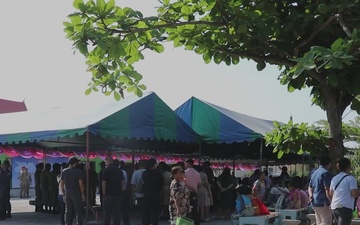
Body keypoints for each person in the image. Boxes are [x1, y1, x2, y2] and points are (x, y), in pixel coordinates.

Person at [330, 158, 359, 225]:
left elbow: (331, 193)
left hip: (334, 207)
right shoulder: (350, 178)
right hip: (345, 207)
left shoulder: (334, 178)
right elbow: (355, 194)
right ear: (348, 166)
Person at [60, 157, 85, 225]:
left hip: (67, 192)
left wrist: (64, 194)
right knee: (78, 211)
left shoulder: (64, 171)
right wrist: (82, 194)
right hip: (76, 192)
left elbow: (62, 184)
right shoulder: (78, 171)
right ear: (75, 163)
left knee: (68, 211)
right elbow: (81, 184)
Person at [308, 156, 332, 225]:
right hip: (324, 201)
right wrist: (331, 201)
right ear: (329, 163)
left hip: (314, 201)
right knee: (326, 221)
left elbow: (310, 187)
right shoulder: (326, 173)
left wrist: (310, 195)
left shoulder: (314, 173)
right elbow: (327, 189)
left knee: (319, 221)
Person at [102, 157, 125, 225]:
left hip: (108, 194)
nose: (105, 163)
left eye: (105, 161)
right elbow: (122, 182)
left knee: (107, 212)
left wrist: (103, 193)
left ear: (108, 162)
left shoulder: (106, 170)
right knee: (116, 212)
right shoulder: (119, 170)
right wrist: (122, 190)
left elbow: (104, 183)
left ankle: (107, 223)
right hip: (118, 194)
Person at [142, 158, 164, 225]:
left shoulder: (144, 173)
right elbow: (161, 184)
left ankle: (146, 222)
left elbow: (144, 182)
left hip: (146, 192)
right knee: (155, 211)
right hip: (155, 193)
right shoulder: (158, 173)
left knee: (146, 210)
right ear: (154, 164)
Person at [185, 159, 201, 225]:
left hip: (186, 193)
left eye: (185, 163)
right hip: (194, 193)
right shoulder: (197, 173)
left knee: (186, 210)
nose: (185, 165)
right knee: (194, 211)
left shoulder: (184, 172)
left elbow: (184, 183)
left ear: (189, 164)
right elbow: (199, 185)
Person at [131, 159, 147, 224]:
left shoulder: (135, 173)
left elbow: (133, 184)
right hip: (147, 193)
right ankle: (147, 220)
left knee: (141, 208)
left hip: (138, 193)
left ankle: (143, 221)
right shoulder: (148, 172)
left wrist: (133, 193)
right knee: (147, 208)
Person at [119, 160, 130, 225]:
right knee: (124, 209)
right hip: (124, 191)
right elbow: (125, 181)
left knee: (116, 209)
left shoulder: (118, 172)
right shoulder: (124, 172)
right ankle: (126, 222)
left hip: (116, 192)